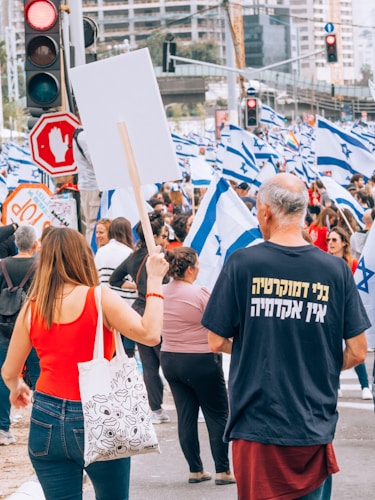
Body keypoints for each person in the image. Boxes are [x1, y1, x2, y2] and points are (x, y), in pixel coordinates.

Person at [202, 173, 370, 500]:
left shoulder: (242, 264)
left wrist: (258, 352)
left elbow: (215, 340)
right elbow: (359, 351)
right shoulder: (335, 270)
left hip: (257, 424)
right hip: (313, 424)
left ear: (265, 212)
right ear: (303, 211)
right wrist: (314, 364)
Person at [1, 227, 169, 500]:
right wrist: (155, 282)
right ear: (83, 257)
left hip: (46, 418)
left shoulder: (33, 307)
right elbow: (150, 334)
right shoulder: (99, 297)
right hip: (98, 413)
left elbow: (9, 371)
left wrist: (17, 387)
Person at [160, 247, 235, 486]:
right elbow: (220, 322)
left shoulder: (160, 293)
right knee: (217, 413)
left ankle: (195, 469)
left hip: (170, 359)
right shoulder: (200, 293)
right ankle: (223, 471)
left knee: (186, 415)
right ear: (191, 268)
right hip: (201, 359)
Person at [110, 212, 171, 424]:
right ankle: (187, 404)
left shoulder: (133, 257)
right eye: (164, 234)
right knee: (169, 361)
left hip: (138, 309)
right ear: (154, 235)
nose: (166, 239)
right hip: (159, 309)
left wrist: (136, 286)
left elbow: (114, 280)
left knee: (149, 364)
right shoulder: (159, 257)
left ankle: (156, 410)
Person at [0, 225, 39, 446]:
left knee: (4, 376)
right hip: (34, 328)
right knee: (41, 376)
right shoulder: (41, 267)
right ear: (35, 244)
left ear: (15, 242)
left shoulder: (2, 265)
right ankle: (42, 423)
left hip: (4, 328)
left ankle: (2, 428)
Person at [327, 226, 373, 400]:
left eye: (334, 240)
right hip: (331, 310)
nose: (330, 243)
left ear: (344, 243)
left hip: (349, 310)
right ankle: (335, 385)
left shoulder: (353, 264)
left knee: (354, 347)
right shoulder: (325, 262)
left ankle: (365, 386)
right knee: (333, 347)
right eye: (328, 240)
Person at [94, 217, 137, 356]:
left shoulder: (101, 252)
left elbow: (95, 279)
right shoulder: (130, 253)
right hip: (127, 306)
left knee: (109, 348)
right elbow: (134, 281)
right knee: (127, 350)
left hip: (104, 305)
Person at [72, 126, 101, 245]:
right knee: (93, 225)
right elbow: (96, 163)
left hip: (91, 186)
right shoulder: (84, 136)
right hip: (92, 187)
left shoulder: (84, 134)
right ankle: (91, 258)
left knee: (93, 225)